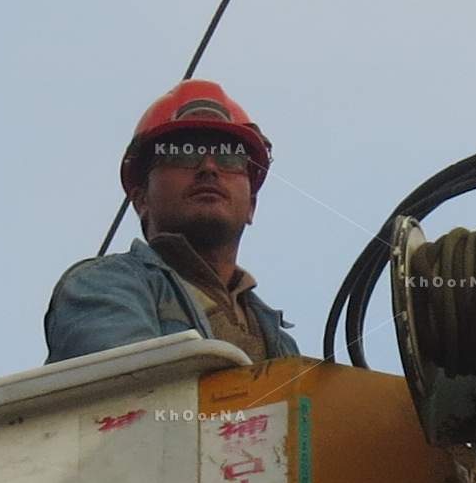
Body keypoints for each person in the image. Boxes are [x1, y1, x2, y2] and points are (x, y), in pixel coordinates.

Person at [45, 82, 299, 366]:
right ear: (142, 200)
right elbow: (133, 385)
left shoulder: (281, 344)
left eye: (229, 158)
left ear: (251, 206)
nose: (209, 168)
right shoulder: (104, 285)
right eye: (181, 154)